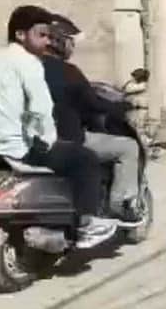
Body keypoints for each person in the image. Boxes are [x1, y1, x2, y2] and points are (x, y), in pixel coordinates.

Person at [0, 6, 117, 247]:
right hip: (16, 149)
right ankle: (88, 223)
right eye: (42, 35)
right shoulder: (30, 64)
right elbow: (41, 110)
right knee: (84, 158)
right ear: (20, 35)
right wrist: (48, 141)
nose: (47, 41)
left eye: (48, 36)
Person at [42, 16, 142, 220]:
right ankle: (119, 205)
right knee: (128, 147)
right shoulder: (68, 72)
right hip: (68, 141)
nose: (72, 47)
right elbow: (94, 104)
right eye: (70, 41)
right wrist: (122, 106)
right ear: (59, 41)